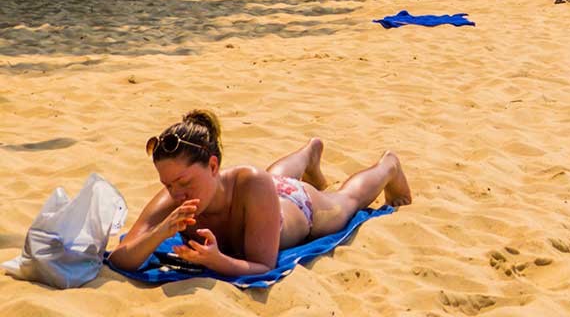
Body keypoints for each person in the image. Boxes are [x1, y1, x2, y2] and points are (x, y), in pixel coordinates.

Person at [108, 110, 411, 276]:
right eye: (167, 184)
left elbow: (264, 265)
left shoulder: (251, 182)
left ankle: (388, 166)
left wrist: (217, 261)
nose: (176, 192)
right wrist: (161, 232)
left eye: (185, 182)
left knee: (345, 203)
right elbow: (121, 259)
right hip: (264, 190)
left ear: (213, 166)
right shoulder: (174, 197)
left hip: (296, 206)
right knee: (273, 177)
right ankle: (308, 153)